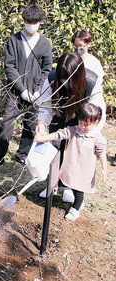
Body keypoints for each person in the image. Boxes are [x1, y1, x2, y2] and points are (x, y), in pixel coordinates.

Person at [36, 53, 106, 201]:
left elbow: (99, 112)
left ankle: (69, 186)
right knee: (55, 149)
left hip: (81, 121)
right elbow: (45, 106)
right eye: (62, 78)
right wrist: (42, 123)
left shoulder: (91, 83)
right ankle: (53, 183)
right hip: (58, 115)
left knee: (76, 153)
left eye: (69, 79)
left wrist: (91, 132)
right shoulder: (51, 79)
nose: (65, 82)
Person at [0, 5, 52, 167]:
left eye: (35, 22)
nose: (31, 25)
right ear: (24, 21)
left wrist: (38, 90)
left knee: (30, 123)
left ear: (40, 23)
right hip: (15, 89)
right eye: (28, 21)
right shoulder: (14, 40)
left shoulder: (45, 44)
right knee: (7, 122)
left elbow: (46, 69)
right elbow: (10, 66)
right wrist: (22, 89)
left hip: (35, 92)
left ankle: (22, 154)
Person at [34, 103, 107, 221]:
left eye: (87, 125)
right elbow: (59, 134)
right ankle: (72, 199)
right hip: (72, 166)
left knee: (79, 190)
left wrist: (104, 168)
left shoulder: (97, 138)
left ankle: (76, 208)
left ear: (96, 122)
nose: (83, 127)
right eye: (81, 123)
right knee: (69, 183)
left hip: (84, 171)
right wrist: (43, 138)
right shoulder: (74, 131)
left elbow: (102, 153)